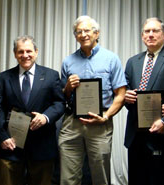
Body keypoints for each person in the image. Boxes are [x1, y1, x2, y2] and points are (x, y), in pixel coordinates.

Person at [59, 15, 126, 185]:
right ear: (75, 36)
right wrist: (68, 87)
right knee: (68, 178)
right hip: (72, 124)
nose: (83, 34)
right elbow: (62, 97)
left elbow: (121, 94)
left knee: (100, 177)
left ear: (97, 33)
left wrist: (106, 116)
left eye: (87, 30)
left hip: (100, 124)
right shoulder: (68, 61)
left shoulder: (111, 59)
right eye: (79, 32)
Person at [0, 35, 65, 185]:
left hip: (42, 144)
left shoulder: (51, 76)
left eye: (29, 51)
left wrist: (46, 117)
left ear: (36, 52)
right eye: (20, 52)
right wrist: (2, 137)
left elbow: (60, 103)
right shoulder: (3, 78)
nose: (25, 55)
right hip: (10, 144)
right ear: (15, 54)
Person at [124, 17, 164, 185]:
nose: (151, 35)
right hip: (135, 131)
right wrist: (126, 96)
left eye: (155, 31)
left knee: (158, 179)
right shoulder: (133, 62)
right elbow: (123, 91)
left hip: (161, 130)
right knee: (137, 179)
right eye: (147, 31)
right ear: (142, 36)